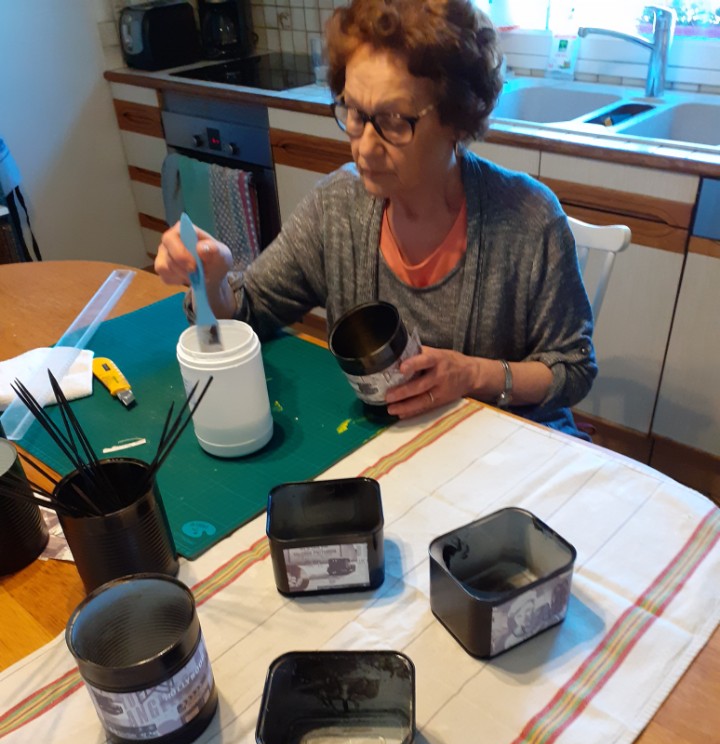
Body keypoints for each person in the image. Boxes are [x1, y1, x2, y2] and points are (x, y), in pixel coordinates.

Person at [155, 0, 596, 437]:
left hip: (507, 446)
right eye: (354, 113)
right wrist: (211, 279)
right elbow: (247, 315)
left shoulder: (528, 220)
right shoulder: (337, 208)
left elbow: (572, 369)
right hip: (388, 447)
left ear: (458, 120)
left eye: (392, 120)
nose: (363, 147)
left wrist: (472, 375)